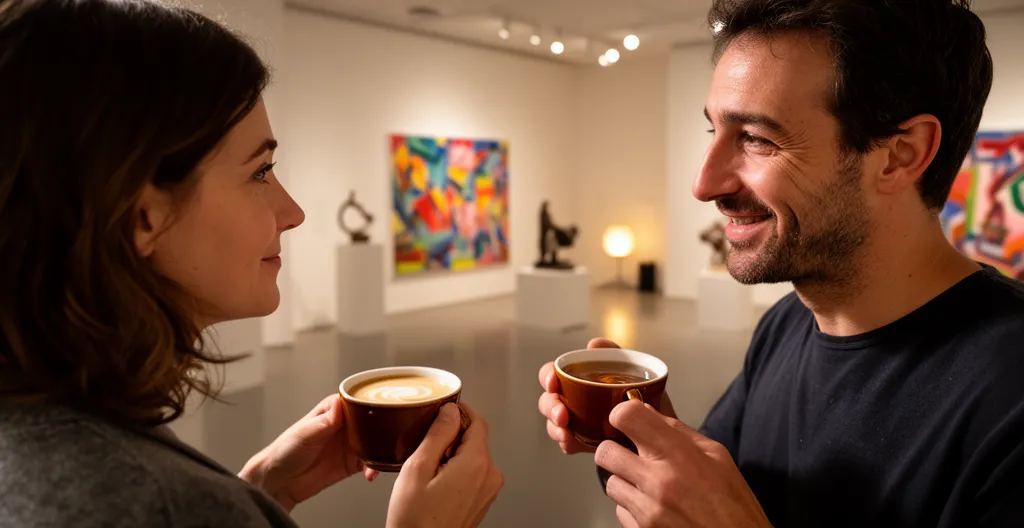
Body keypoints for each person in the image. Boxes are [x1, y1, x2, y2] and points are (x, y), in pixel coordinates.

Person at [0, 1, 502, 526]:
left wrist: (259, 493)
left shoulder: (46, 423)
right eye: (260, 172)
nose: (295, 213)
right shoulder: (147, 501)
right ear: (140, 216)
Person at [539, 0, 1024, 526]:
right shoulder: (786, 324)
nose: (704, 184)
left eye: (756, 138)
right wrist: (642, 437)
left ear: (901, 155)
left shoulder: (1010, 396)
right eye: (714, 132)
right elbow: (726, 494)